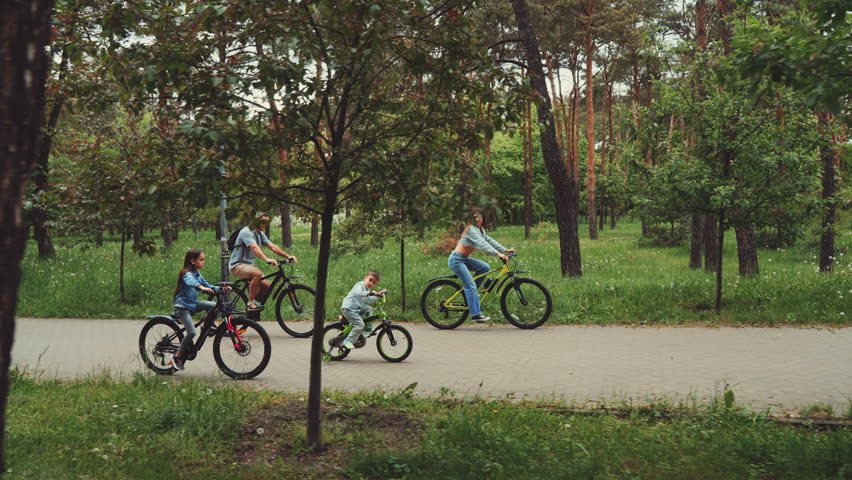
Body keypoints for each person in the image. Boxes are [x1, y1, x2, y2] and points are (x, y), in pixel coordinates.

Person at [449, 210, 514, 323]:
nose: (478, 219)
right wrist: (498, 254)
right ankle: (476, 314)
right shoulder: (470, 229)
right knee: (471, 286)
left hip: (464, 259)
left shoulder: (481, 230)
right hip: (456, 260)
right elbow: (482, 243)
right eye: (475, 217)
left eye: (480, 217)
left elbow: (489, 241)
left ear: (483, 218)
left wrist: (504, 250)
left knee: (484, 267)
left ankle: (471, 296)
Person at [171, 249, 228, 371]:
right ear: (192, 261)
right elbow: (191, 282)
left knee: (213, 305)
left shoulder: (197, 273)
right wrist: (201, 287)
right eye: (201, 260)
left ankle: (206, 326)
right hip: (182, 307)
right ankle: (177, 356)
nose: (204, 262)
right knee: (191, 332)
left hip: (192, 304)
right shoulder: (186, 273)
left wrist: (222, 288)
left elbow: (207, 285)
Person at [228, 212, 297, 310]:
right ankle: (251, 303)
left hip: (248, 265)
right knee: (257, 274)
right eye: (263, 222)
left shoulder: (260, 233)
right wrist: (267, 259)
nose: (265, 224)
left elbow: (272, 246)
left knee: (266, 285)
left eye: (267, 222)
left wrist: (288, 256)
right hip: (237, 265)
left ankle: (255, 309)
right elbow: (254, 247)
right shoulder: (247, 231)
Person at [340, 270, 383, 350]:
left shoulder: (367, 289)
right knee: (359, 325)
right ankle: (348, 341)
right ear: (365, 278)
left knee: (368, 309)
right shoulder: (360, 285)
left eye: (374, 283)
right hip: (349, 308)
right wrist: (368, 293)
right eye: (370, 280)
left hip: (356, 308)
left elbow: (369, 300)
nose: (371, 283)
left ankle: (368, 330)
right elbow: (358, 293)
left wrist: (378, 295)